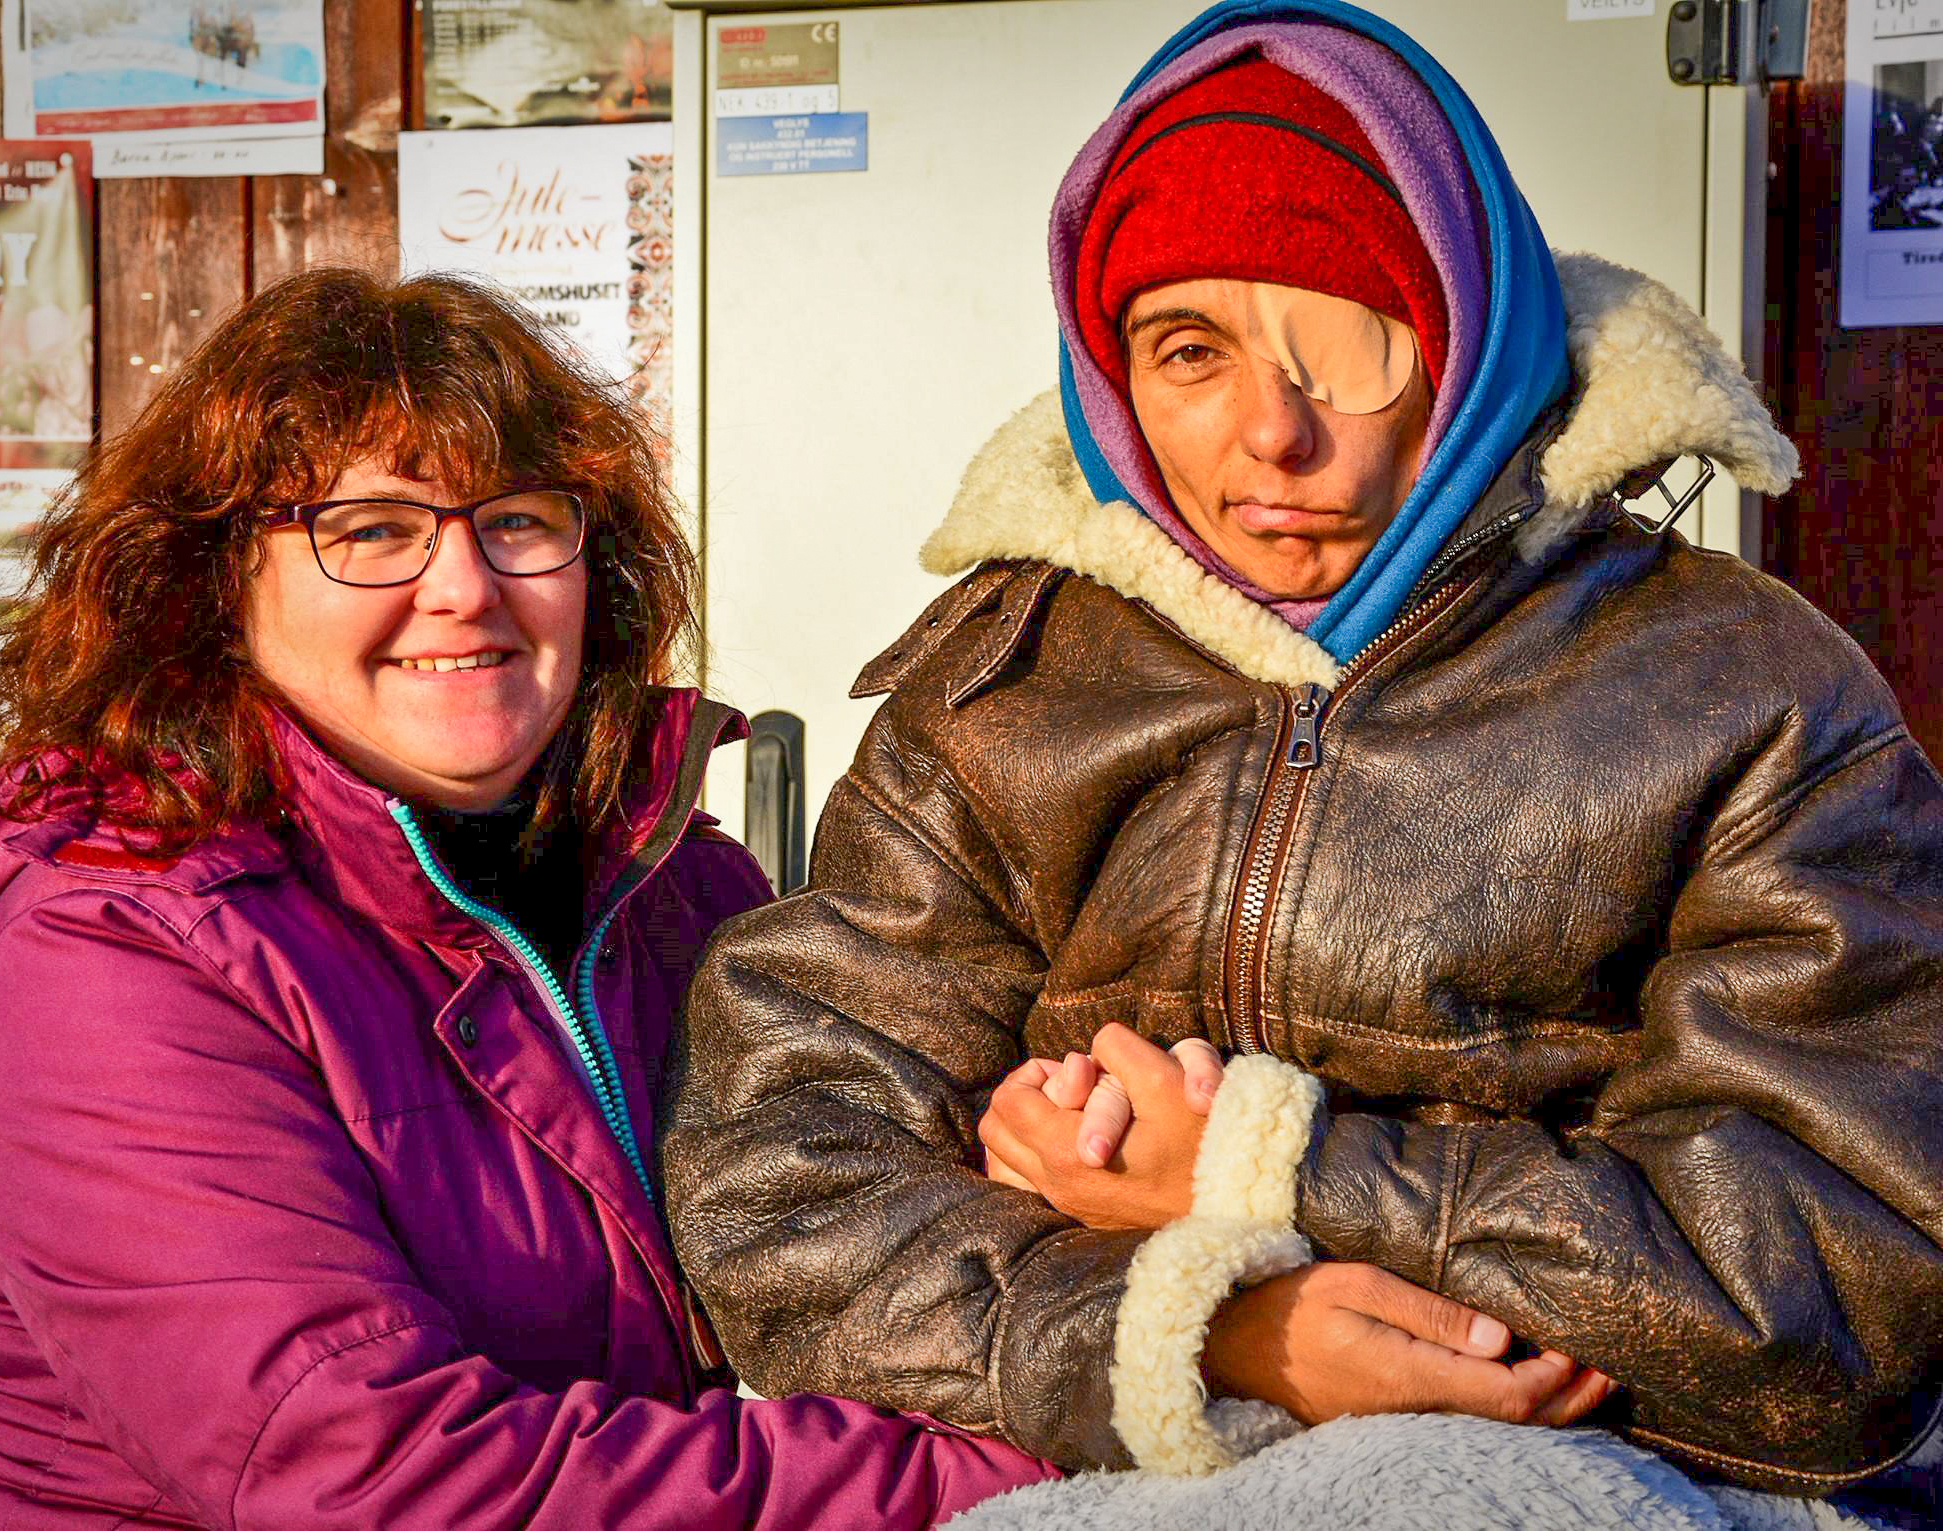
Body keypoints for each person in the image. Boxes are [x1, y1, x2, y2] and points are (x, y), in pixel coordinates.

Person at [661, 3, 1943, 1526]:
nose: (1270, 432)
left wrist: (1268, 1169)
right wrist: (1201, 1331)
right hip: (1094, 1472)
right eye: (1187, 351)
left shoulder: (1743, 689)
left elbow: (1838, 1289)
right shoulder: (1000, 685)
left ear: (1465, 341)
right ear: (1110, 373)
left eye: (1349, 343)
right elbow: (781, 1189)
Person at [0, 269, 1051, 1528]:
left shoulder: (673, 879)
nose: (463, 586)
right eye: (371, 530)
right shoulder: (112, 937)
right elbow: (371, 1476)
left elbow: (869, 1208)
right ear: (215, 583)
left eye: (518, 520)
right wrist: (1008, 1476)